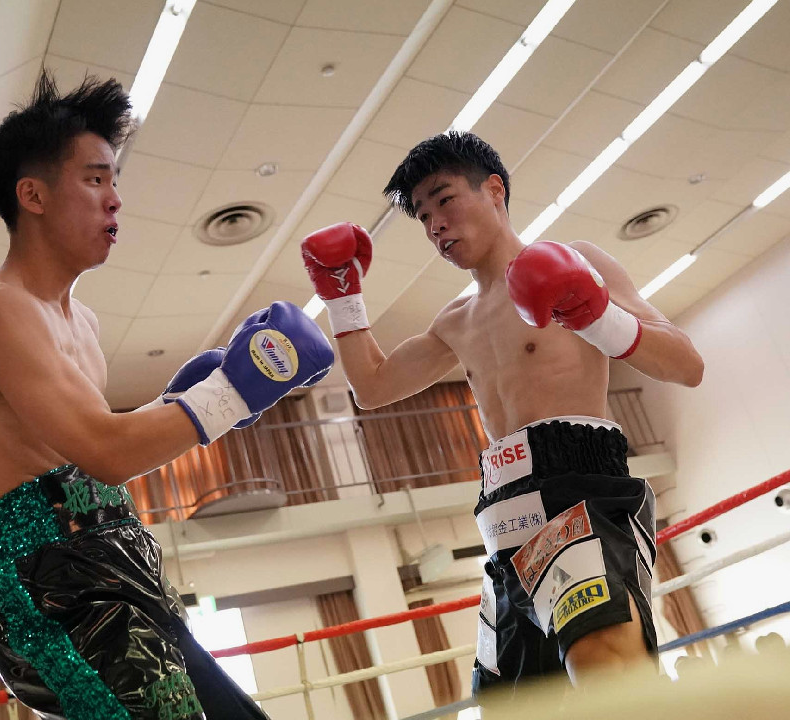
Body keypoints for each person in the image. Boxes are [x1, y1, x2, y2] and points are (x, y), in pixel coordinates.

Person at [0, 72, 334, 720]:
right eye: (95, 179)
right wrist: (231, 392)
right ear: (32, 194)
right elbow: (106, 451)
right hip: (53, 584)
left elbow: (95, 448)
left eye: (114, 180)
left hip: (125, 557)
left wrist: (196, 396)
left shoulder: (84, 324)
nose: (115, 199)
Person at [299, 131, 704, 699]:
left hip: (579, 493)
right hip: (503, 525)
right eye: (422, 215)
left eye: (444, 199)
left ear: (494, 190)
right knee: (509, 706)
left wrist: (597, 317)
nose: (435, 224)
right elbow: (372, 386)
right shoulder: (455, 320)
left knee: (607, 673)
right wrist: (342, 296)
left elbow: (687, 364)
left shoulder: (577, 261)